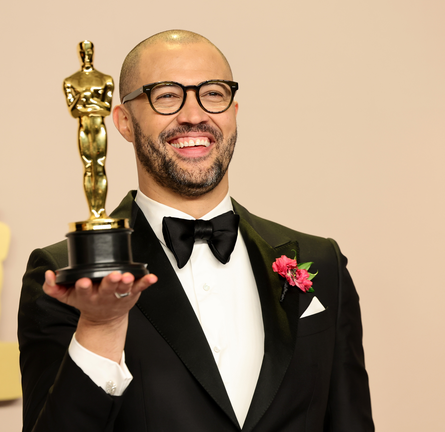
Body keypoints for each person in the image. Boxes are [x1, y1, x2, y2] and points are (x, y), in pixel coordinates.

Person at [18, 30, 374, 432]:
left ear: (235, 109)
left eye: (213, 93)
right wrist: (100, 329)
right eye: (166, 95)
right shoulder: (68, 274)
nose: (193, 114)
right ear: (123, 122)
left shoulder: (322, 262)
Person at [63, 40, 115, 219]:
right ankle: (93, 211)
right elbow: (73, 110)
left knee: (99, 166)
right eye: (83, 52)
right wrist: (88, 103)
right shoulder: (71, 81)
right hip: (84, 126)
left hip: (99, 125)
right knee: (88, 167)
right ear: (80, 54)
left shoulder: (105, 79)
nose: (86, 55)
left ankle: (101, 211)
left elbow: (106, 108)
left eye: (89, 51)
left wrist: (86, 100)